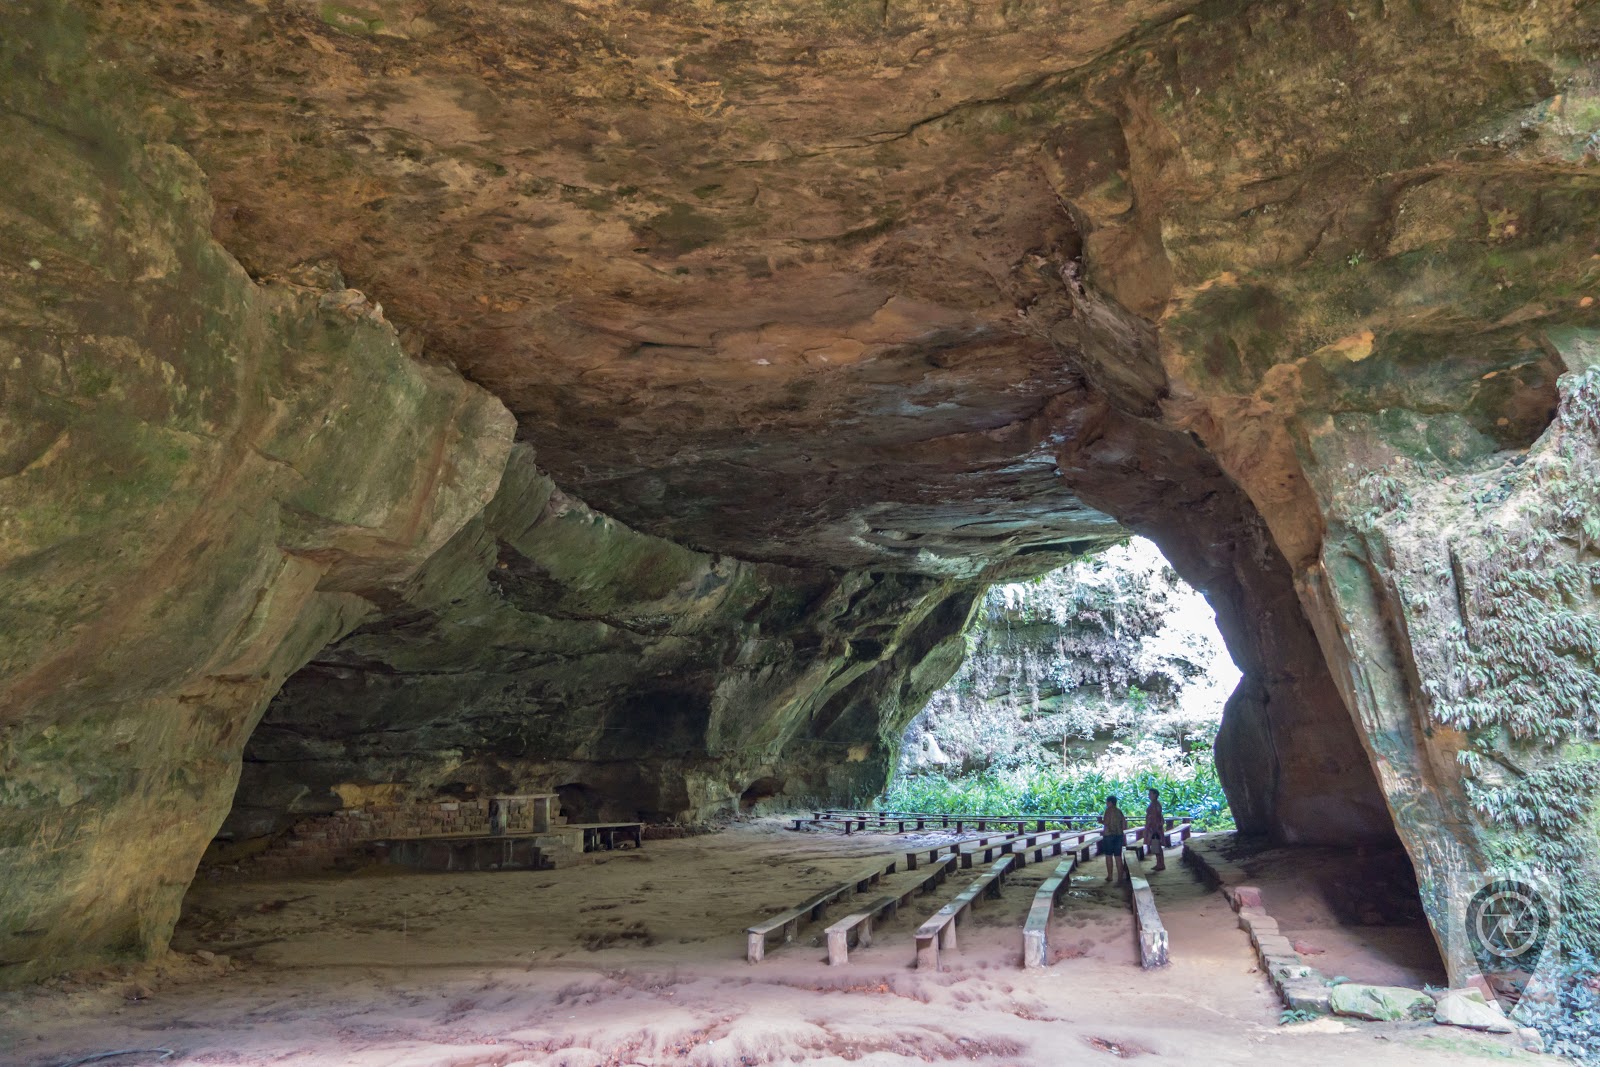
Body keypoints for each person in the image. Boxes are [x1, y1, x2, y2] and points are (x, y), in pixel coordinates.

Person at [1098, 795, 1127, 882]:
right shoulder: (1119, 811)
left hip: (1109, 835)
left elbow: (1106, 822)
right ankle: (1120, 877)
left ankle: (1110, 876)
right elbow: (1124, 825)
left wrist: (1100, 821)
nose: (1106, 804)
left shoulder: (1108, 811)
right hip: (1119, 835)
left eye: (1107, 802)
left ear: (1110, 802)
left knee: (1108, 855)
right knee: (1118, 856)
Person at [1144, 787, 1166, 872]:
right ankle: (1159, 863)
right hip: (1154, 828)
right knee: (1156, 846)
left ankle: (1161, 864)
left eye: (1150, 794)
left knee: (1157, 846)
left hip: (1155, 828)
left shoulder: (1155, 804)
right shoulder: (1155, 804)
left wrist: (1154, 828)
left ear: (1155, 795)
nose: (1149, 795)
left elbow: (1156, 818)